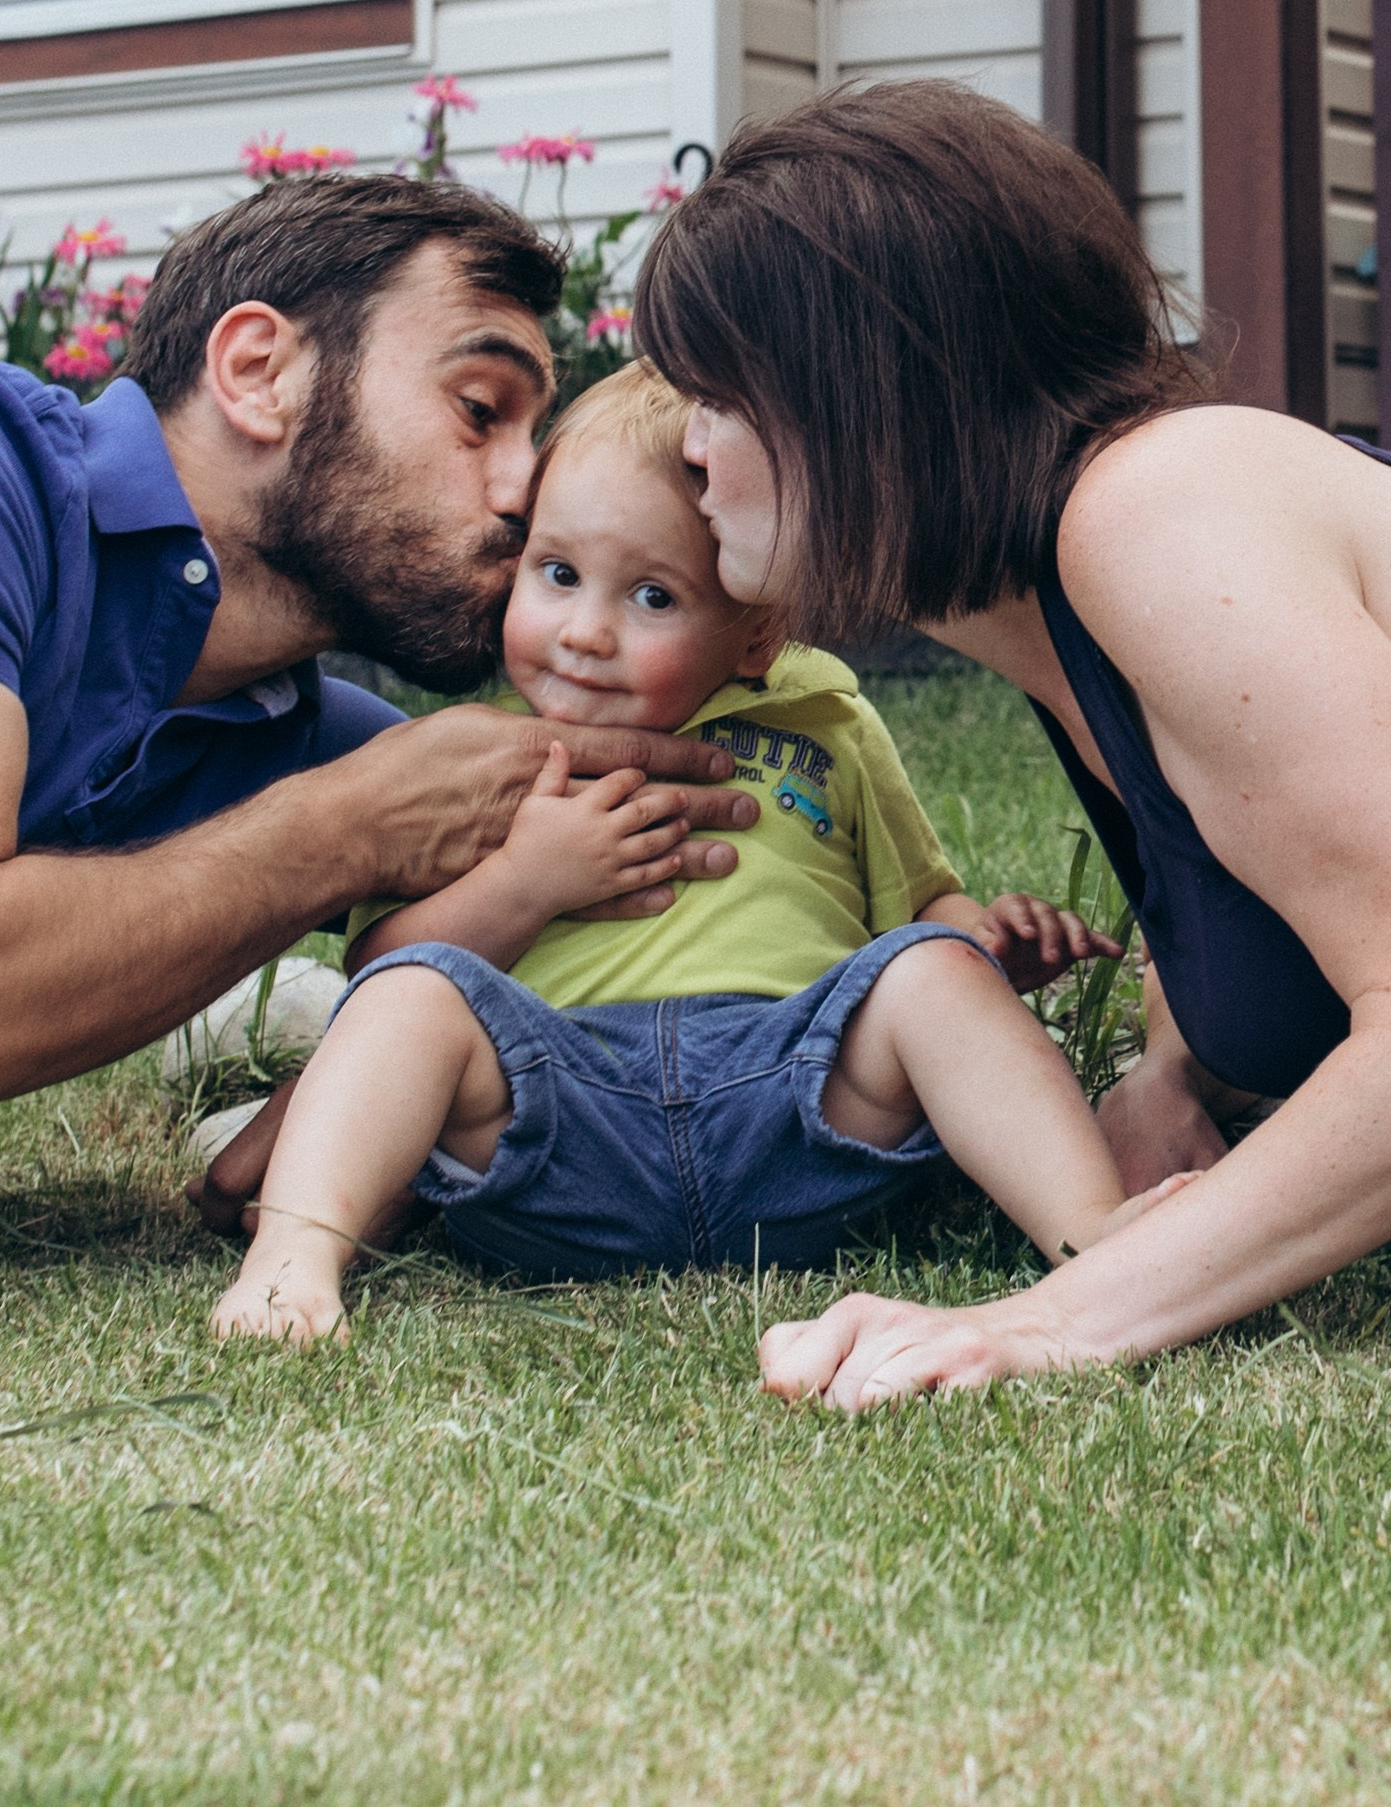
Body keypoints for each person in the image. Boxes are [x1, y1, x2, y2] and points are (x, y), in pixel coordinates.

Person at [623, 78, 1391, 1409]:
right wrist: (1168, 1063)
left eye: (714, 389)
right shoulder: (1070, 607)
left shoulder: (1151, 514)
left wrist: (1045, 1319)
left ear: (867, 390)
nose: (684, 443)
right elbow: (1284, 876)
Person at [0, 174, 758, 1282]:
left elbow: (628, 960)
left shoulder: (316, 754)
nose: (520, 490)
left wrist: (924, 937)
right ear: (257, 371)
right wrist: (346, 832)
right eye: (478, 409)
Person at [207, 364, 1153, 1344]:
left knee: (931, 974)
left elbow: (917, 912)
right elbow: (380, 967)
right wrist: (524, 884)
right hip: (552, 1112)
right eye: (557, 574)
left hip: (798, 1090)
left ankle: (1097, 1239)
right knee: (412, 998)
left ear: (754, 631)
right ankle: (292, 1259)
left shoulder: (825, 722)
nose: (583, 634)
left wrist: (986, 945)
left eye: (651, 596)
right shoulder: (473, 765)